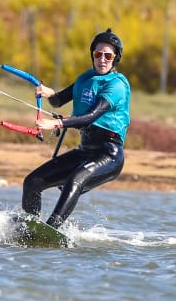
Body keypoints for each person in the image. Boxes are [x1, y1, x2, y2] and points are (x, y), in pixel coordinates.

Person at [21, 28, 131, 228]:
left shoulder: (116, 86)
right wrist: (49, 93)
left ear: (115, 59)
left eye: (108, 56)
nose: (102, 59)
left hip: (109, 154)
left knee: (74, 180)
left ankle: (51, 229)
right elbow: (58, 101)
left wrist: (57, 123)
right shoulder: (86, 79)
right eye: (98, 54)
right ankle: (30, 227)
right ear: (92, 55)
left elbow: (91, 117)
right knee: (32, 182)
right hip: (84, 152)